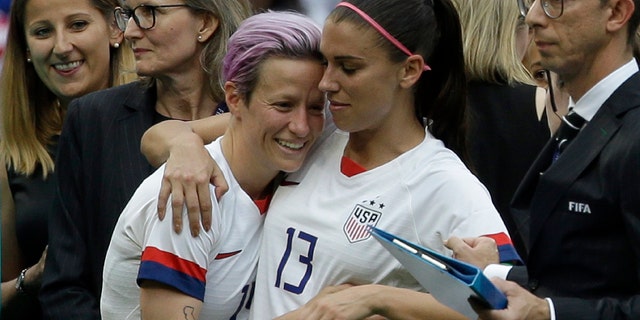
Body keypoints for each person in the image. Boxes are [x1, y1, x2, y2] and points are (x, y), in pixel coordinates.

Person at [142, 0, 522, 318]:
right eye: (327, 62)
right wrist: (186, 150)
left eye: (349, 67)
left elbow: (507, 303)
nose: (326, 83)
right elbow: (161, 136)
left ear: (408, 71)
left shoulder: (441, 182)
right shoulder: (313, 130)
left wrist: (378, 299)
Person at [101, 11, 325, 320]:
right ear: (234, 98)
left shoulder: (292, 159)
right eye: (283, 105)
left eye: (315, 107)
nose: (301, 127)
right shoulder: (189, 192)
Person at [38, 1, 252, 319]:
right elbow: (64, 284)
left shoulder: (259, 125)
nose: (130, 32)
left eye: (150, 13)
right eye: (128, 14)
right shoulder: (93, 118)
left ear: (205, 23)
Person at [452, 0, 640, 318]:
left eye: (556, 2)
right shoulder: (588, 117)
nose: (535, 17)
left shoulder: (630, 130)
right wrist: (497, 273)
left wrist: (547, 313)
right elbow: (591, 274)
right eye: (532, 2)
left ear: (616, 12)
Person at [0, 0, 135, 318]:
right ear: (27, 48)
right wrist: (31, 279)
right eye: (43, 31)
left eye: (78, 25)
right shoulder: (14, 154)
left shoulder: (158, 130)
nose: (62, 46)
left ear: (115, 28)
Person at [451, 0, 550, 259]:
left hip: (442, 254)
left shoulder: (425, 99)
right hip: (513, 265)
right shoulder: (540, 102)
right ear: (512, 31)